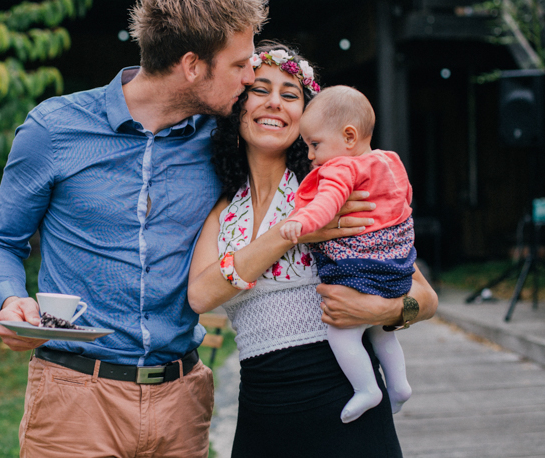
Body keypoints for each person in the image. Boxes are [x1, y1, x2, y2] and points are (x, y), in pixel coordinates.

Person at [0, 0, 269, 458]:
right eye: (239, 63)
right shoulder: (54, 129)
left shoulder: (225, 140)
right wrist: (9, 300)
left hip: (181, 400)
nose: (251, 76)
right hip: (74, 399)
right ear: (192, 65)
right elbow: (0, 243)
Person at [187, 42, 438, 458]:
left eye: (290, 95)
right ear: (238, 103)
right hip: (261, 415)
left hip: (345, 408)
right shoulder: (223, 210)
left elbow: (425, 298)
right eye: (260, 89)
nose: (274, 103)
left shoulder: (338, 194)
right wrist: (292, 235)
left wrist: (383, 313)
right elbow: (199, 295)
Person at [280, 85, 415, 424]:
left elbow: (327, 203)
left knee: (342, 332)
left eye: (314, 145)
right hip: (397, 267)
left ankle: (368, 389)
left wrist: (302, 221)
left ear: (349, 136)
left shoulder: (341, 168)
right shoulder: (390, 161)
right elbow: (405, 199)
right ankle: (399, 385)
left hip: (360, 270)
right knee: (383, 331)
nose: (310, 156)